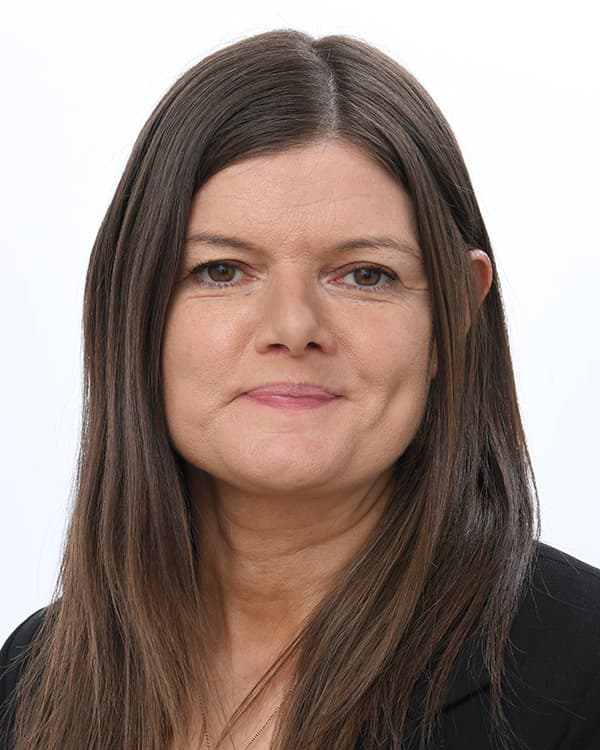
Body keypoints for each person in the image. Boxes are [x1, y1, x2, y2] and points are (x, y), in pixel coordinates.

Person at [1, 28, 599, 750]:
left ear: (454, 316)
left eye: (365, 275)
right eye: (222, 271)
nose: (292, 327)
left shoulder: (584, 668)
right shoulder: (29, 676)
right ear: (133, 308)